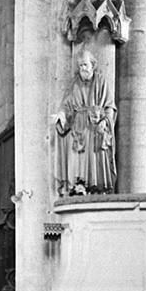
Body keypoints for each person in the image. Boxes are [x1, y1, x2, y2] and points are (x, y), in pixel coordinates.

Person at [54, 46, 117, 194]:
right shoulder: (74, 83)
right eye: (80, 65)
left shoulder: (101, 81)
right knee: (78, 164)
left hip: (96, 130)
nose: (83, 68)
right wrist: (62, 115)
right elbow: (66, 105)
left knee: (96, 163)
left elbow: (109, 106)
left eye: (85, 65)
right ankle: (79, 189)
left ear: (93, 65)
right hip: (79, 129)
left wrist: (105, 121)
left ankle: (98, 191)